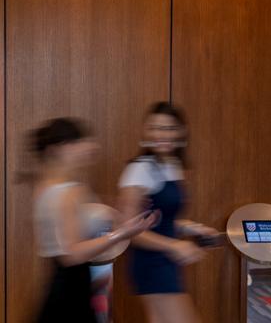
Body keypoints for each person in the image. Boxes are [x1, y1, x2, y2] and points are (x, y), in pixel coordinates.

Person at [30, 117, 159, 323]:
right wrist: (121, 234)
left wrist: (114, 208)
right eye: (79, 141)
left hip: (68, 284)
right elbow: (71, 254)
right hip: (72, 289)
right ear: (61, 148)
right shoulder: (68, 192)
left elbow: (77, 219)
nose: (90, 146)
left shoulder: (47, 187)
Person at [118, 102, 219, 323]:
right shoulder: (139, 169)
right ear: (146, 131)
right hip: (152, 262)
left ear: (181, 132)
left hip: (166, 262)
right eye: (155, 127)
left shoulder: (172, 165)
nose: (161, 134)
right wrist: (174, 245)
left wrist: (189, 226)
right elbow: (130, 230)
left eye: (169, 128)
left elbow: (158, 218)